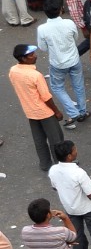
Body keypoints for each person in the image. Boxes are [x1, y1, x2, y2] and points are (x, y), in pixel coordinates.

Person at [8, 44, 65, 172]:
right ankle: (61, 165)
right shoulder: (35, 75)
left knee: (39, 140)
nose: (35, 56)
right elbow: (46, 97)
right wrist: (56, 111)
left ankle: (45, 164)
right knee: (56, 139)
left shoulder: (13, 71)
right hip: (44, 112)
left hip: (30, 111)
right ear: (23, 58)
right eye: (31, 55)